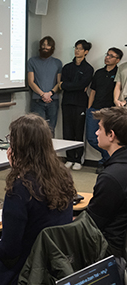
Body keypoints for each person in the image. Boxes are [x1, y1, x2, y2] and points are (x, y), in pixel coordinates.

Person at [0, 114, 76, 285]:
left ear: (19, 146)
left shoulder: (21, 188)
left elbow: (9, 251)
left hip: (25, 269)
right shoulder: (63, 175)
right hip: (53, 259)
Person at [86, 107, 127, 258]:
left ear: (111, 135)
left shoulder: (111, 177)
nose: (96, 133)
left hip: (110, 252)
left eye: (99, 129)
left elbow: (91, 225)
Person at [59, 39, 94, 171]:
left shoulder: (88, 68)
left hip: (80, 103)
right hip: (67, 102)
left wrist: (69, 86)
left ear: (86, 52)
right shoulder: (67, 67)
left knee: (78, 131)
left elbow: (81, 85)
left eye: (80, 48)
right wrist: (72, 86)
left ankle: (78, 159)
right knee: (67, 131)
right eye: (76, 48)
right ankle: (69, 158)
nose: (77, 50)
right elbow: (63, 84)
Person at [87, 48, 123, 174]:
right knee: (92, 138)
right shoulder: (99, 73)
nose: (107, 57)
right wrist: (89, 107)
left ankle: (105, 162)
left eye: (111, 56)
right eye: (107, 55)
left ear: (117, 60)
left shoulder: (119, 73)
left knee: (110, 139)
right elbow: (93, 91)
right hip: (95, 109)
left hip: (110, 111)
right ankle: (108, 158)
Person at [28, 36, 63, 135]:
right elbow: (31, 82)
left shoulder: (57, 63)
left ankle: (50, 150)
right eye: (43, 44)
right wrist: (43, 94)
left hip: (53, 101)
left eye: (48, 45)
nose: (45, 47)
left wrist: (50, 93)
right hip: (37, 101)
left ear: (52, 47)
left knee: (50, 131)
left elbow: (59, 83)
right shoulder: (32, 61)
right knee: (37, 130)